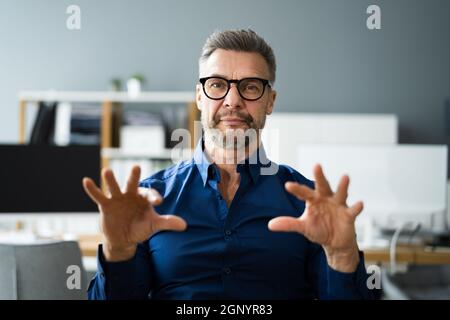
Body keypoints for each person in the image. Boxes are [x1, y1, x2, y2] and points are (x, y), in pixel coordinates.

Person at [83, 29, 380, 300]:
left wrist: (342, 256)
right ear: (200, 96)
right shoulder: (148, 200)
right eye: (217, 85)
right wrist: (118, 251)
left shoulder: (310, 205)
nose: (233, 100)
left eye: (250, 87)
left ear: (270, 101)